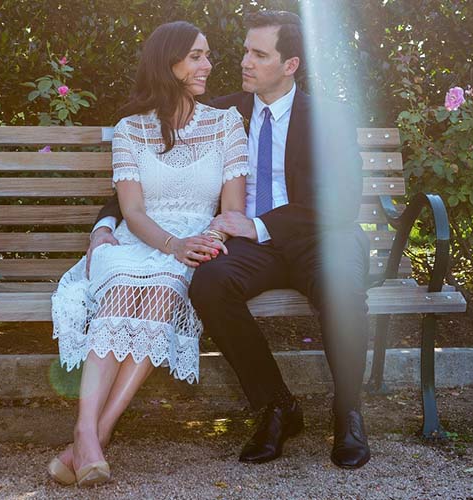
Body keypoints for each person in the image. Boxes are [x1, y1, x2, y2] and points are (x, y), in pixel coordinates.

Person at [90, 11, 371, 469]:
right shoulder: (220, 113)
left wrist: (260, 226)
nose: (244, 62)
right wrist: (104, 225)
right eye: (245, 50)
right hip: (248, 246)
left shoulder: (329, 118)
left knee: (341, 288)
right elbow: (144, 180)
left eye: (259, 54)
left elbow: (341, 204)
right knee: (209, 284)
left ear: (290, 65)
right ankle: (277, 406)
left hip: (320, 239)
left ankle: (348, 413)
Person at [50, 21, 250, 486]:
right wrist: (171, 244)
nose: (208, 64)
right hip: (138, 238)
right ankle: (88, 433)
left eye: (208, 55)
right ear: (169, 63)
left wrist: (201, 243)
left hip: (195, 241)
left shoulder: (226, 124)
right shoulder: (130, 130)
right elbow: (133, 210)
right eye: (197, 56)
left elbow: (233, 210)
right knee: (121, 291)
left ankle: (90, 438)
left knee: (163, 292)